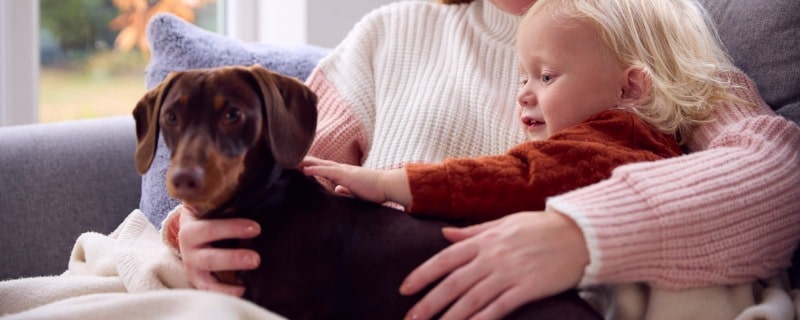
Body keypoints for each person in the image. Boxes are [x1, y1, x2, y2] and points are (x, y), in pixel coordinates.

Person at [165, 0, 800, 319]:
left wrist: (578, 234)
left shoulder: (644, 23)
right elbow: (274, 171)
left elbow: (776, 174)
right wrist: (194, 230)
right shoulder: (390, 33)